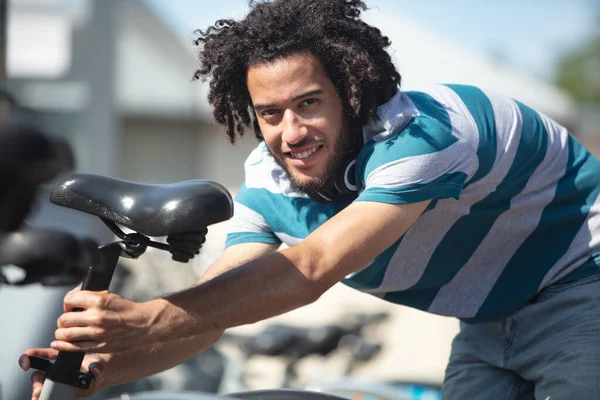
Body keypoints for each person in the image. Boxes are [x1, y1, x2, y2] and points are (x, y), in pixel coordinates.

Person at [20, 0, 600, 398]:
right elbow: (214, 310)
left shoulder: (423, 135)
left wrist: (145, 318)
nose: (291, 132)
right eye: (270, 114)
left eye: (309, 103)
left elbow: (311, 267)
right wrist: (100, 370)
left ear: (352, 91)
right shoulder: (269, 181)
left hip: (581, 285)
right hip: (485, 319)